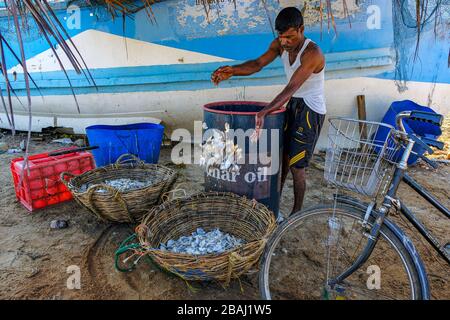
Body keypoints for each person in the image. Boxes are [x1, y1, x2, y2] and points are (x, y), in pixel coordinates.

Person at [211, 7, 326, 215]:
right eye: (281, 37)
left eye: (290, 37)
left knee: (297, 165)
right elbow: (256, 64)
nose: (285, 42)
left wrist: (264, 111)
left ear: (301, 29)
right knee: (281, 159)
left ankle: (296, 214)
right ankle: (274, 205)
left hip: (310, 109)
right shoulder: (280, 45)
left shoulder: (312, 53)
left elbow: (292, 87)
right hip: (291, 105)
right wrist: (233, 71)